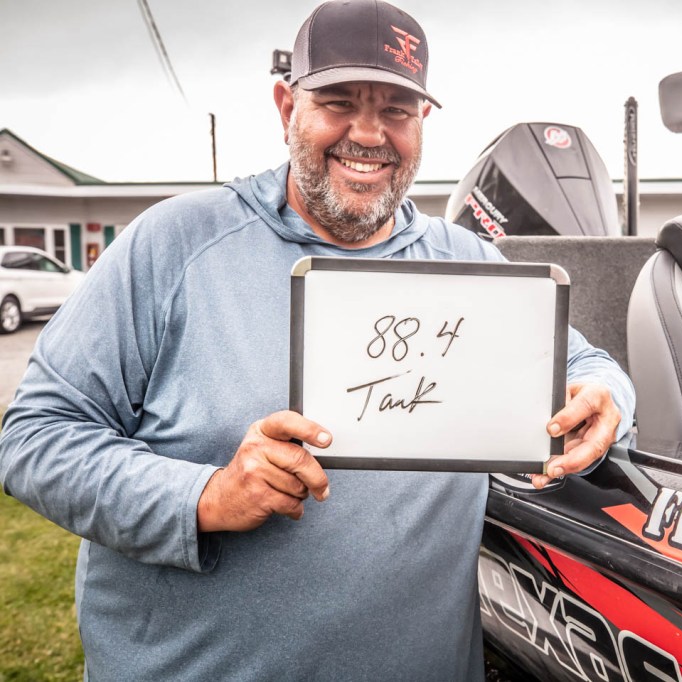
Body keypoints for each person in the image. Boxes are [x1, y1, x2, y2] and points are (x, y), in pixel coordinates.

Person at [0, 1, 635, 680]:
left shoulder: (470, 264)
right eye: (338, 102)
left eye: (396, 109)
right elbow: (37, 437)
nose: (368, 133)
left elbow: (585, 365)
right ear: (286, 108)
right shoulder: (172, 245)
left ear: (422, 121)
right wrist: (206, 495)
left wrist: (606, 397)